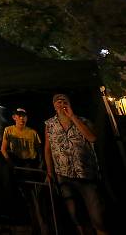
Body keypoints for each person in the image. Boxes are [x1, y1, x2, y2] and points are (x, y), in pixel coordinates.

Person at [44, 94, 107, 235]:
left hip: (85, 174)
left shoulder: (83, 120)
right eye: (57, 102)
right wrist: (49, 172)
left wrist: (72, 117)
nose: (60, 104)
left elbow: (92, 137)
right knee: (75, 214)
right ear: (54, 106)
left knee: (97, 215)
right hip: (63, 175)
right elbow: (47, 150)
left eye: (64, 101)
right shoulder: (49, 124)